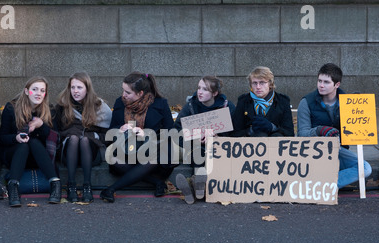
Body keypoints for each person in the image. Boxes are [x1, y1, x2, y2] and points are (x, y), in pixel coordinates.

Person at [100, 72, 175, 202]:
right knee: (113, 159)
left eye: (128, 92)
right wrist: (120, 129)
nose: (123, 95)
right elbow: (110, 131)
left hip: (153, 152)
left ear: (140, 93)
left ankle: (111, 189)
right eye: (123, 90)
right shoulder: (120, 102)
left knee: (153, 159)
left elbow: (170, 132)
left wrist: (147, 134)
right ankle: (157, 182)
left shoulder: (160, 104)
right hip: (127, 151)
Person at [297, 63, 372, 189]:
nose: (321, 85)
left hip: (338, 150)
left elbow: (356, 134)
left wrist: (358, 110)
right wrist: (320, 130)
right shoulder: (306, 102)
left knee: (365, 168)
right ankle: (318, 182)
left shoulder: (347, 101)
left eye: (326, 82)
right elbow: (301, 135)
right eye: (319, 81)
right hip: (314, 152)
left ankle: (325, 186)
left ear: (337, 84)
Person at [0, 76, 61, 207]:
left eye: (42, 90)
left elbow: (53, 137)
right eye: (35, 89)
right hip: (14, 154)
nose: (38, 93)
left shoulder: (49, 109)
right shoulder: (11, 108)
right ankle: (13, 188)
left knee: (32, 142)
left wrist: (41, 125)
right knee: (24, 144)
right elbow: (2, 138)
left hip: (38, 157)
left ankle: (55, 183)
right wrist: (16, 138)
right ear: (27, 91)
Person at [173, 75, 236, 204]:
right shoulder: (190, 106)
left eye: (205, 89)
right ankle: (198, 188)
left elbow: (236, 132)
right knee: (199, 153)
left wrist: (217, 138)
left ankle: (192, 187)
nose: (199, 92)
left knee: (209, 154)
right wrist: (195, 137)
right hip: (195, 148)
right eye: (199, 88)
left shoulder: (227, 106)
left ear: (215, 93)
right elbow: (176, 131)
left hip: (219, 149)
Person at [53, 72, 112, 203]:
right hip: (68, 152)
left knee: (84, 139)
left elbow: (107, 135)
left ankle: (87, 186)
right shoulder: (62, 106)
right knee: (74, 138)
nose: (75, 91)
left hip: (91, 153)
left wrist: (89, 135)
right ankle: (71, 185)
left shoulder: (99, 106)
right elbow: (56, 132)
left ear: (87, 89)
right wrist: (74, 132)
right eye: (72, 87)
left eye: (79, 87)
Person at [231, 66, 294, 138]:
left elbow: (289, 132)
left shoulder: (282, 101)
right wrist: (250, 131)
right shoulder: (243, 101)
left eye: (262, 83)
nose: (258, 87)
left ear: (270, 84)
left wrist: (272, 128)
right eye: (254, 83)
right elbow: (235, 133)